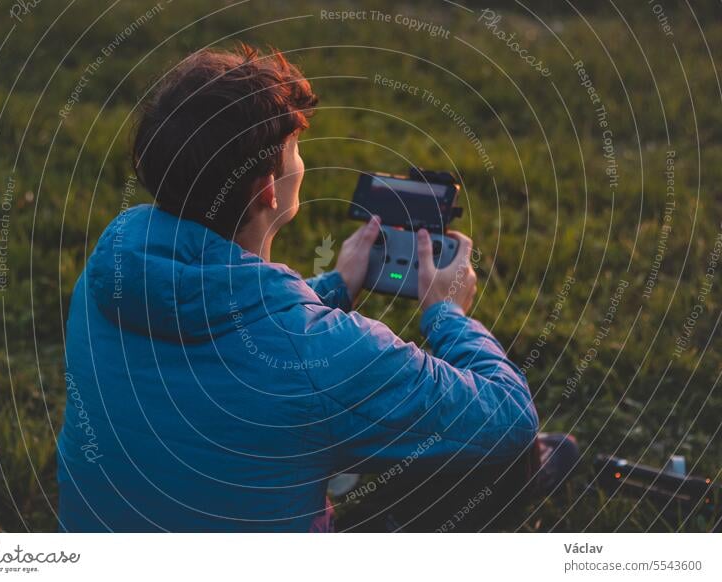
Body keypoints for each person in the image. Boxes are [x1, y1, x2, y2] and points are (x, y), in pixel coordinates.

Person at [57, 45, 576, 533]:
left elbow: (230, 331)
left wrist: (333, 287)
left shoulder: (112, 272)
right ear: (267, 186)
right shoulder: (324, 354)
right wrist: (447, 313)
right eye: (295, 150)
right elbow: (508, 417)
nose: (300, 162)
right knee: (507, 460)